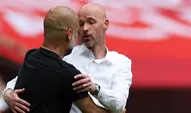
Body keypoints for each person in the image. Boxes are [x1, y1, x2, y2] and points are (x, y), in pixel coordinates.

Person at [3, 2, 133, 113]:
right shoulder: (65, 58)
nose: (85, 29)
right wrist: (7, 93)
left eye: (91, 22)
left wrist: (95, 89)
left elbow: (119, 104)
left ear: (106, 24)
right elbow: (23, 79)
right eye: (81, 24)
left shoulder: (121, 63)